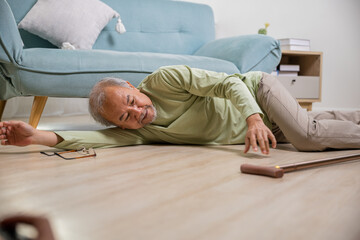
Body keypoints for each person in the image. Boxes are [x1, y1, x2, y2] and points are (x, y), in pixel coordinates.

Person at [1, 65, 359, 155]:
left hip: (258, 93)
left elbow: (229, 83)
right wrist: (34, 137)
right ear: (123, 128)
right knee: (309, 125)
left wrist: (251, 117)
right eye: (125, 117)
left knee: (308, 139)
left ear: (131, 87)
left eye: (131, 102)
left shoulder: (165, 79)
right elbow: (92, 137)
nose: (137, 112)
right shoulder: (141, 133)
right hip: (270, 127)